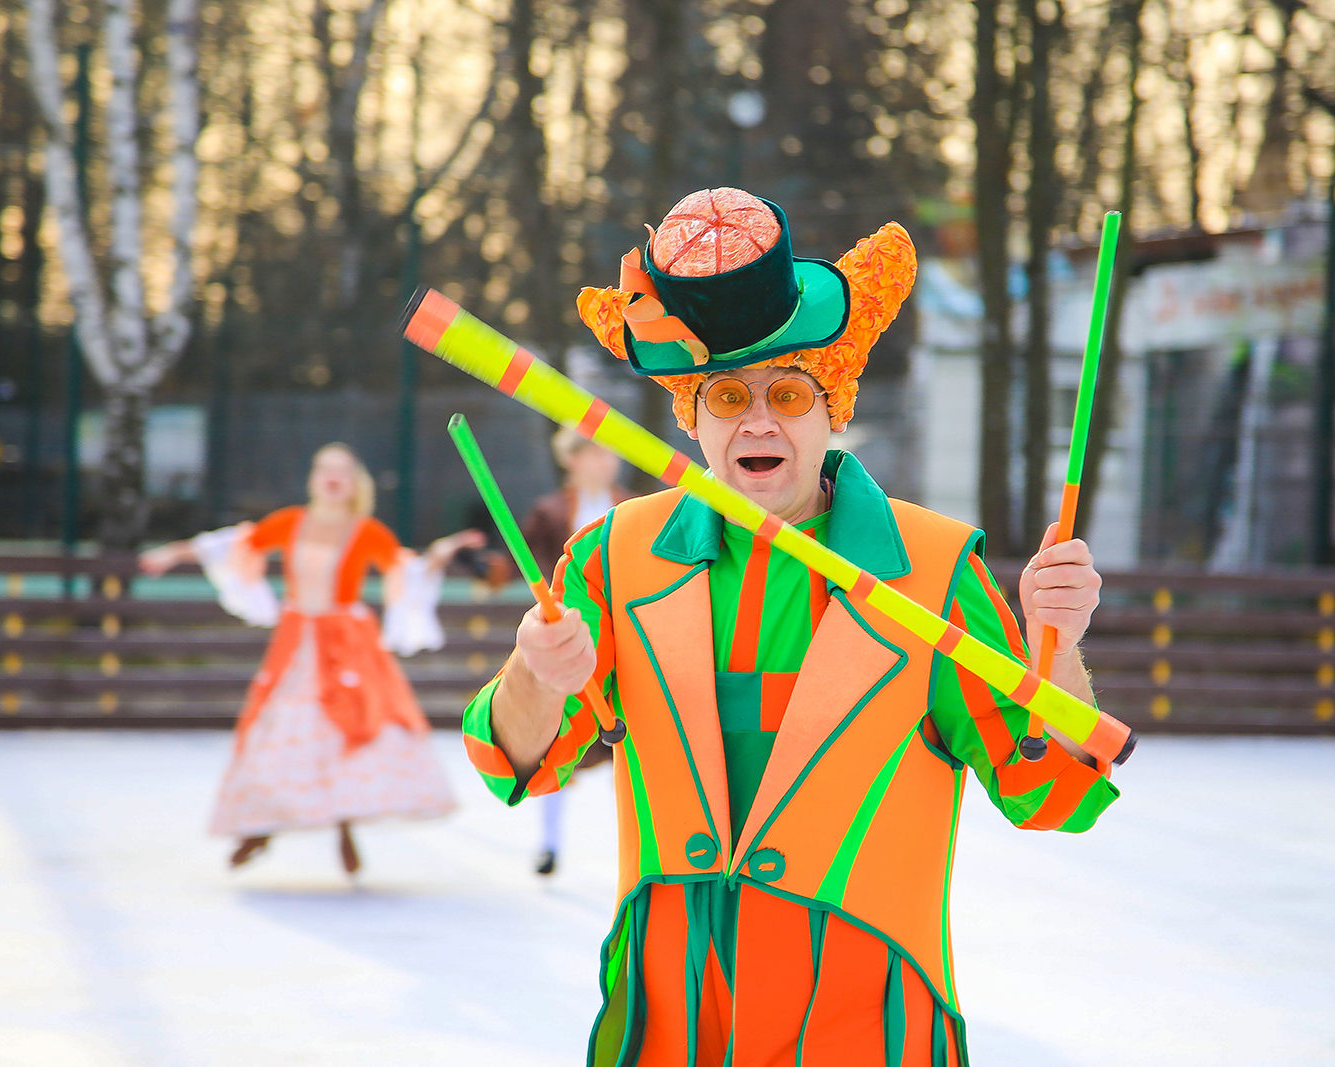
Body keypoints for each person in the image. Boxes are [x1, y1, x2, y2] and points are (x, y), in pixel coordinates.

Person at [461, 188, 1119, 1064]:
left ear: (833, 408)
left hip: (867, 1011)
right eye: (728, 395)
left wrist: (1059, 642)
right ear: (692, 418)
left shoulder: (929, 571)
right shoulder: (615, 557)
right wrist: (535, 669)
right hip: (675, 1012)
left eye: (789, 392)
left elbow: (1051, 792)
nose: (760, 418)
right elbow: (516, 757)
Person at [140, 442, 457, 876]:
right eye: (325, 468)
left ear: (354, 482)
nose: (333, 476)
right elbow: (236, 543)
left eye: (342, 470)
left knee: (345, 725)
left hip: (345, 642)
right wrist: (173, 553)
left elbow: (405, 569)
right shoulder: (290, 522)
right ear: (313, 478)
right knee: (279, 730)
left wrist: (439, 555)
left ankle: (344, 825)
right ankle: (260, 826)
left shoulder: (366, 531)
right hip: (296, 641)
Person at [517, 427, 635, 877]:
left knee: (631, 752)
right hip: (567, 646)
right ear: (573, 459)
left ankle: (639, 845)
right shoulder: (550, 513)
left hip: (625, 646)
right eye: (595, 453)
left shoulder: (634, 509)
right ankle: (548, 844)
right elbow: (520, 563)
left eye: (610, 453)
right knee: (558, 744)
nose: (606, 461)